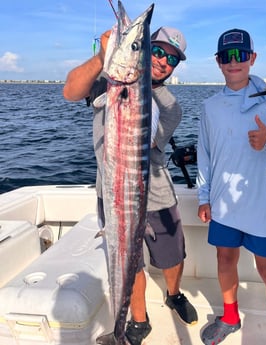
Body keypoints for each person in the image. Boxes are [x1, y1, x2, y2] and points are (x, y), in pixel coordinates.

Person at [63, 26, 198, 345]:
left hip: (157, 194)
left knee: (172, 255)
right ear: (146, 49)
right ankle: (139, 322)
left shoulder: (170, 106)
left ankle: (174, 294)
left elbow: (142, 142)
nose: (164, 61)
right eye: (159, 51)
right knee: (130, 260)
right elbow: (70, 91)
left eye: (173, 59)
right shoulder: (107, 80)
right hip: (112, 192)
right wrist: (102, 58)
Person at [196, 28, 266, 345]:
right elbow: (205, 154)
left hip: (260, 204)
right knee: (225, 259)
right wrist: (204, 196)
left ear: (252, 58)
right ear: (218, 62)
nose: (234, 62)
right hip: (224, 202)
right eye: (227, 57)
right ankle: (229, 316)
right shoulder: (210, 107)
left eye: (241, 55)